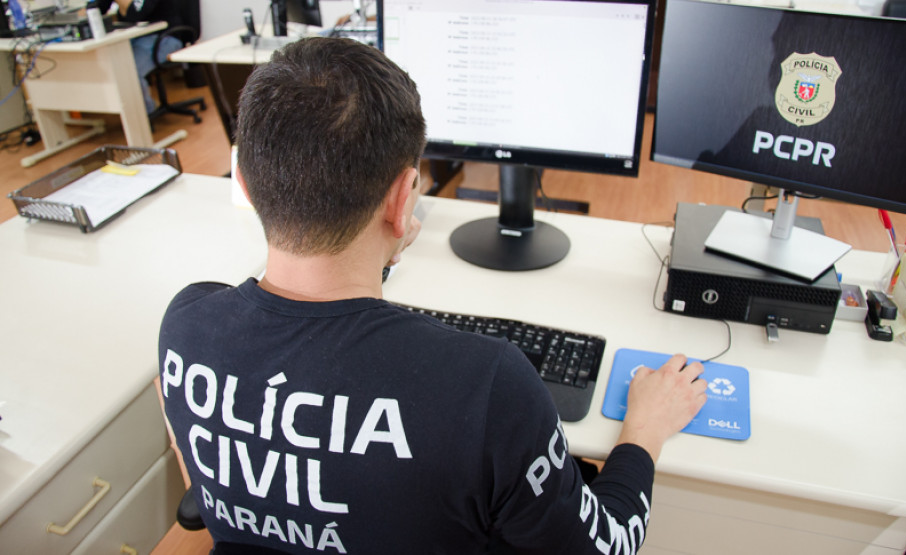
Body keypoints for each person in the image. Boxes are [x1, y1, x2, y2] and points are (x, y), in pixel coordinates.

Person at [158, 37, 708, 554]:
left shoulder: (188, 326)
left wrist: (380, 250)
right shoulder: (486, 387)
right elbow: (605, 545)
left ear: (245, 183)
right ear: (404, 201)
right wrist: (645, 430)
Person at [95, 0, 185, 114]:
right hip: (137, 37)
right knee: (112, 63)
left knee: (129, 70)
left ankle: (145, 112)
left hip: (166, 37)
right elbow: (96, 8)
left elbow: (136, 13)